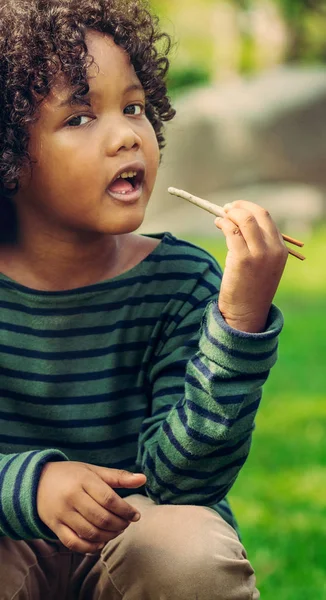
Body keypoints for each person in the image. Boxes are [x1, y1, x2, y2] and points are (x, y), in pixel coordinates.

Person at [0, 0, 288, 598]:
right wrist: (32, 485)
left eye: (133, 108)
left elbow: (187, 482)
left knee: (188, 553)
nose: (127, 134)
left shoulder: (180, 281)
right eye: (80, 117)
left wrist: (238, 322)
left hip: (136, 539)